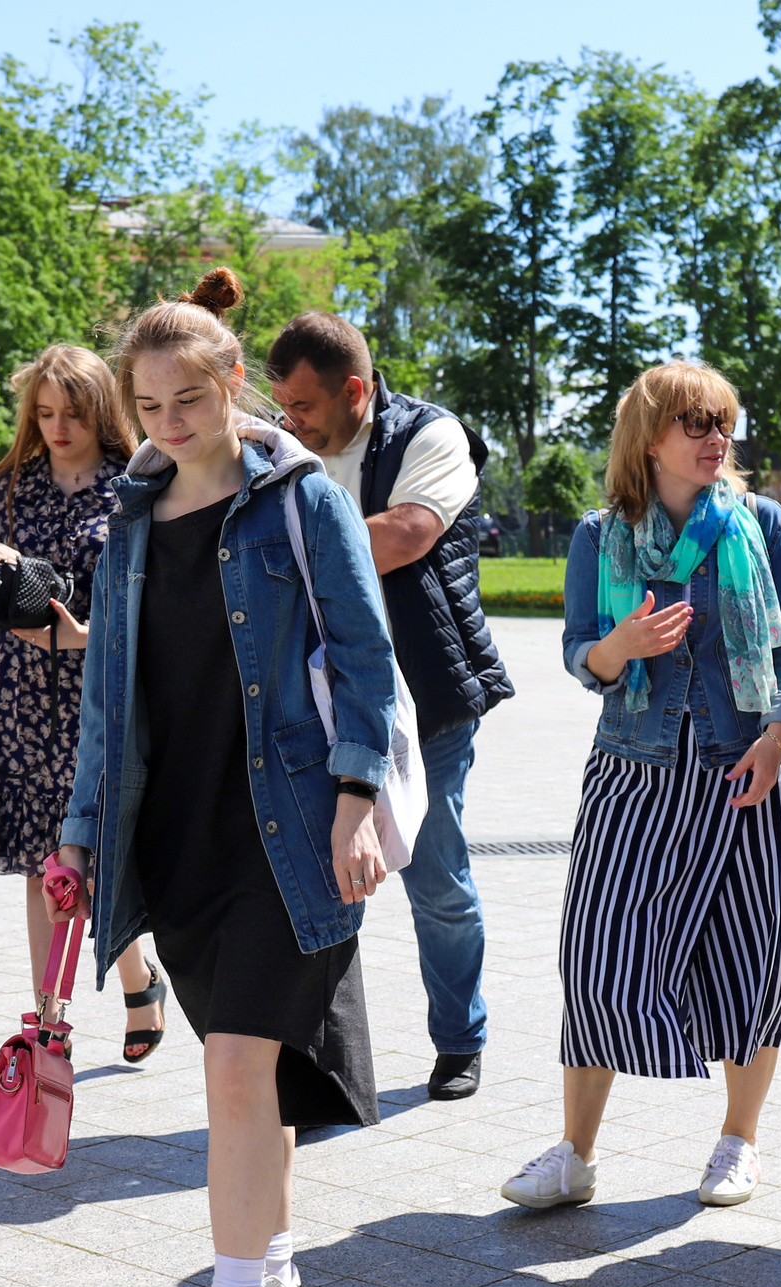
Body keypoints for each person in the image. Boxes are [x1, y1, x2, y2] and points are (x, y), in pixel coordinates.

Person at [55, 269, 400, 1287]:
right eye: (148, 408)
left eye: (186, 401)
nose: (168, 425)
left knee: (236, 1066)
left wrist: (357, 796)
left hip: (288, 826)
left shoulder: (302, 502)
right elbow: (107, 702)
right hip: (179, 834)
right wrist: (80, 838)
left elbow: (364, 658)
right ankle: (277, 1254)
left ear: (231, 381)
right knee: (252, 1069)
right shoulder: (128, 527)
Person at [498, 362, 781, 1217]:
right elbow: (578, 654)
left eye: (724, 423)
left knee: (749, 955)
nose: (717, 440)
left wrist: (779, 736)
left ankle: (739, 1140)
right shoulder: (599, 537)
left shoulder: (763, 525)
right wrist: (620, 647)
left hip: (744, 769)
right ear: (650, 438)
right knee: (599, 955)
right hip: (631, 770)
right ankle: (576, 1154)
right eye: (696, 424)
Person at [266, 313, 515, 1101]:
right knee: (314, 882)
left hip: (426, 701)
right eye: (281, 405)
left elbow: (405, 535)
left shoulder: (432, 438)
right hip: (314, 703)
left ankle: (458, 1038)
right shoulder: (280, 448)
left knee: (433, 877)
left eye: (303, 406)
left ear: (356, 390)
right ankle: (319, 1060)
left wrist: (285, 561)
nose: (289, 421)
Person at [0, 346, 168, 1061]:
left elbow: (163, 601)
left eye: (74, 414)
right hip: (24, 709)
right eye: (45, 413)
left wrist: (89, 639)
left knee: (95, 864)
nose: (58, 427)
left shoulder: (130, 487)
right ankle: (49, 1025)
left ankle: (138, 977)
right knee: (41, 869)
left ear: (100, 412)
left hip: (98, 705)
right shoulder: (12, 488)